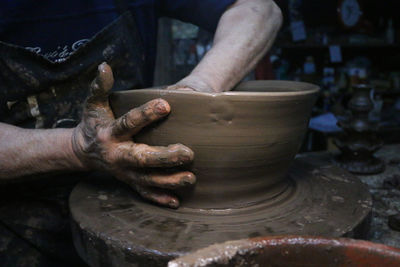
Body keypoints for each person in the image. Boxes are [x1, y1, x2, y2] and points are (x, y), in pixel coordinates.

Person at [0, 0, 282, 266]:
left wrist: (201, 83)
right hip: (17, 219)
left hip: (134, 200)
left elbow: (259, 9)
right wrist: (75, 147)